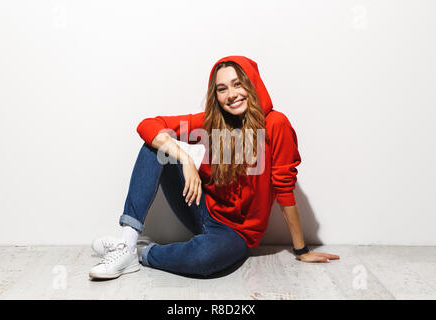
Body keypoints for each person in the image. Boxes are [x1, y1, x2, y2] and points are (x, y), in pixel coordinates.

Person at [88, 55, 340, 280]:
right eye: (222, 88)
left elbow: (284, 188)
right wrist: (184, 158)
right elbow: (149, 125)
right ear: (216, 95)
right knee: (155, 147)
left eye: (237, 84)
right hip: (201, 209)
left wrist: (301, 250)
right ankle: (126, 242)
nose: (231, 94)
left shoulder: (276, 124)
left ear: (252, 84)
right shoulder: (211, 122)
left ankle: (140, 251)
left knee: (204, 261)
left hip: (236, 233)